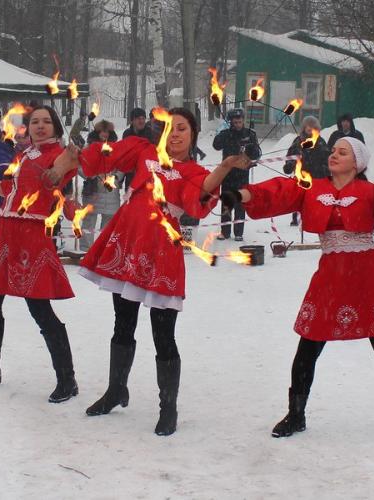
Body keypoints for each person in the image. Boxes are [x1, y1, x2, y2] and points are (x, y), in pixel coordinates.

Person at [222, 137, 374, 441]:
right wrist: (239, 194)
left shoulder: (372, 191)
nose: (334, 155)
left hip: (366, 277)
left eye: (342, 152)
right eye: (333, 151)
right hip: (331, 277)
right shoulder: (314, 187)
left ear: (357, 162)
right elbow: (278, 193)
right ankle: (296, 414)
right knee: (307, 347)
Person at [61, 107, 251, 436]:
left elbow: (201, 194)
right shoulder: (143, 150)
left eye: (182, 128)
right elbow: (105, 157)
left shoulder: (193, 171)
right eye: (169, 128)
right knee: (123, 322)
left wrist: (224, 167)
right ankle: (116, 390)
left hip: (161, 251)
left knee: (163, 334)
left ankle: (168, 407)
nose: (174, 133)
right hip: (127, 243)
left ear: (192, 136)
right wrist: (81, 153)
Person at [0, 105, 80, 405]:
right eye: (34, 121)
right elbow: (6, 189)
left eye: (46, 122)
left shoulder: (59, 156)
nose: (39, 126)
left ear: (56, 127)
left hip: (31, 235)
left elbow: (55, 179)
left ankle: (67, 379)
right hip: (6, 233)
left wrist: (63, 165)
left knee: (39, 308)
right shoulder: (24, 155)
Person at [212, 108, 260, 241]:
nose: (238, 124)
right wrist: (222, 133)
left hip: (242, 174)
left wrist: (252, 148)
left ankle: (239, 233)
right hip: (227, 174)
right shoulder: (226, 133)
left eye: (240, 121)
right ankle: (225, 232)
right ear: (231, 122)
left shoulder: (250, 133)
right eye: (235, 122)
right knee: (227, 203)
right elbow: (216, 145)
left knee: (241, 203)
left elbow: (257, 153)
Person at [78, 120, 122, 252]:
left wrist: (115, 177)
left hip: (111, 190)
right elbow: (80, 165)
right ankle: (86, 250)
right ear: (97, 132)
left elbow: (123, 165)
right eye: (102, 131)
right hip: (93, 189)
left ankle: (105, 250)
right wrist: (90, 175)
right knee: (89, 220)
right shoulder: (88, 148)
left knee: (108, 222)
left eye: (107, 131)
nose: (104, 134)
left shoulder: (116, 148)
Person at [283, 115, 330, 226]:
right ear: (304, 127)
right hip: (301, 176)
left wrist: (323, 171)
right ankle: (296, 219)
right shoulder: (298, 141)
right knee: (298, 197)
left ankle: (314, 217)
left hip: (316, 176)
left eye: (312, 126)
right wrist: (290, 165)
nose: (309, 128)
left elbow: (327, 159)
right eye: (307, 126)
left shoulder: (320, 142)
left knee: (315, 198)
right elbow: (291, 155)